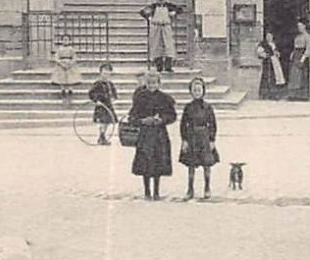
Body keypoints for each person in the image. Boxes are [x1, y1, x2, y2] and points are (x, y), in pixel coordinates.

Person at [129, 69, 177, 200]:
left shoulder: (165, 98)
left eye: (154, 83)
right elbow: (132, 117)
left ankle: (156, 191)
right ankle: (146, 191)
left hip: (159, 134)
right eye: (149, 83)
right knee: (145, 163)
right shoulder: (140, 97)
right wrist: (143, 121)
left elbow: (172, 116)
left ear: (159, 83)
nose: (152, 86)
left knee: (158, 162)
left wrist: (162, 120)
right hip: (145, 135)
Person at [178, 77, 220, 200]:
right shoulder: (188, 107)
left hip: (204, 137)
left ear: (203, 91)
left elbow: (213, 124)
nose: (197, 92)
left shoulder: (207, 107)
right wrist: (184, 140)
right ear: (191, 92)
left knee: (206, 164)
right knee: (191, 165)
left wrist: (212, 140)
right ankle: (190, 189)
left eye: (199, 89)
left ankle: (207, 188)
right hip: (192, 137)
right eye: (194, 90)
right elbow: (183, 125)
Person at [140, 0, 183, 73]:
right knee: (156, 45)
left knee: (168, 46)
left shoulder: (169, 6)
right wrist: (148, 17)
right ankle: (158, 66)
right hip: (156, 27)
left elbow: (180, 9)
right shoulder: (153, 6)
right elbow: (142, 12)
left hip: (166, 26)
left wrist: (174, 12)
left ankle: (168, 67)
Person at [87, 63, 118, 145]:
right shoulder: (97, 83)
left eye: (108, 74)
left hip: (108, 105)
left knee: (107, 122)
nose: (106, 75)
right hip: (101, 105)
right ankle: (101, 136)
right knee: (102, 122)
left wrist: (114, 97)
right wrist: (96, 101)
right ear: (100, 73)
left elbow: (114, 93)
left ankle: (102, 136)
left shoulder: (110, 84)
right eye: (104, 73)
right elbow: (91, 93)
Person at [287, 20, 310, 102]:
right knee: (294, 76)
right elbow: (295, 47)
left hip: (302, 56)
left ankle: (302, 96)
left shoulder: (307, 36)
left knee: (301, 76)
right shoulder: (298, 36)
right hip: (296, 56)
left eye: (300, 26)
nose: (299, 28)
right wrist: (292, 54)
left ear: (304, 26)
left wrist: (303, 58)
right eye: (298, 26)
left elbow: (309, 48)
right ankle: (293, 95)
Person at [256, 33, 286, 100]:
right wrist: (265, 55)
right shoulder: (263, 44)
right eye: (268, 36)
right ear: (266, 37)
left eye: (270, 36)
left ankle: (274, 94)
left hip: (275, 62)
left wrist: (277, 53)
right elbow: (259, 52)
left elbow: (276, 52)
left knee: (275, 76)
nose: (269, 38)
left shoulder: (273, 44)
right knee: (267, 76)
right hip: (268, 62)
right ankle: (265, 94)